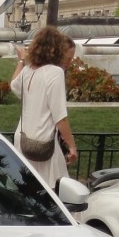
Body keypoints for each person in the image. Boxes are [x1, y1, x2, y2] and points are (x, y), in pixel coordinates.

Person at [10, 25, 78, 189]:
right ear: (58, 50)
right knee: (54, 190)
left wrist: (21, 60)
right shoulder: (55, 72)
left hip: (23, 139)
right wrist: (72, 146)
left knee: (25, 186)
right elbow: (60, 116)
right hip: (43, 142)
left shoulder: (28, 70)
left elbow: (13, 85)